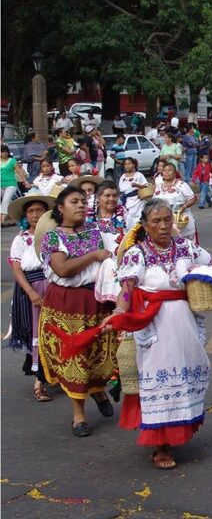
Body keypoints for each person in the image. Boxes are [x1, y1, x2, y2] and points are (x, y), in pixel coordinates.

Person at [97, 198, 212, 469]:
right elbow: (128, 287)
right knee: (159, 381)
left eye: (167, 220)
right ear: (144, 225)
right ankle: (160, 445)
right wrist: (120, 311)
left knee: (186, 375)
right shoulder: (137, 253)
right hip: (153, 324)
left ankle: (180, 430)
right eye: (156, 221)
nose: (164, 226)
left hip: (185, 322)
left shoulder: (187, 247)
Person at [37, 186, 116, 437]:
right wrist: (94, 256)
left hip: (97, 300)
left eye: (83, 201)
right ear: (60, 208)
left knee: (98, 353)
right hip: (66, 304)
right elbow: (63, 270)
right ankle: (78, 414)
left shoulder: (97, 231)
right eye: (74, 201)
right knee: (73, 358)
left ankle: (98, 390)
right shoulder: (52, 237)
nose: (81, 205)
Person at [8, 194, 55, 401]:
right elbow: (17, 269)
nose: (35, 215)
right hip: (33, 288)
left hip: (55, 287)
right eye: (31, 211)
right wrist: (31, 292)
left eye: (39, 210)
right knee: (38, 331)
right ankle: (39, 381)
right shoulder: (21, 239)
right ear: (26, 215)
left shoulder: (54, 235)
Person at [154, 162, 197, 243]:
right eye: (165, 170)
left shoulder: (182, 185)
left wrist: (183, 207)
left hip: (181, 220)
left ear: (174, 173)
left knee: (186, 247)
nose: (167, 172)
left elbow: (193, 198)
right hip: (165, 222)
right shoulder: (159, 187)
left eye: (169, 170)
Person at [1, 144, 29, 226]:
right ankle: (11, 218)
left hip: (11, 184)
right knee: (7, 202)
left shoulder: (12, 161)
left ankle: (2, 220)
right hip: (0, 184)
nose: (3, 154)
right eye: (1, 152)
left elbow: (19, 171)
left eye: (5, 152)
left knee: (6, 200)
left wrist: (25, 181)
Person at [118, 158, 148, 229]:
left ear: (134, 165)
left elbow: (146, 186)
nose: (127, 166)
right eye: (125, 164)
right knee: (127, 218)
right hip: (126, 200)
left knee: (137, 218)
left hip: (137, 200)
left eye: (129, 164)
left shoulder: (139, 175)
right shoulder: (123, 176)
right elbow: (120, 189)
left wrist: (137, 185)